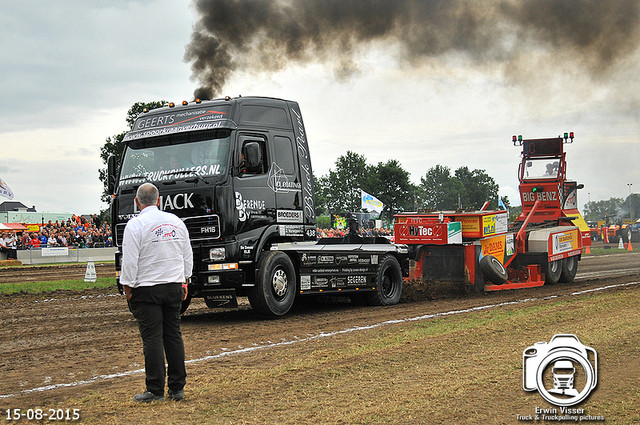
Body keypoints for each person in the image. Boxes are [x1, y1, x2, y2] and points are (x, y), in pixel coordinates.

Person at [120, 182, 193, 403]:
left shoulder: (135, 225)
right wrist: (185, 280)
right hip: (173, 285)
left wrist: (127, 287)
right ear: (158, 200)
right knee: (173, 335)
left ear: (137, 202)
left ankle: (155, 390)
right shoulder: (176, 222)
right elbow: (186, 254)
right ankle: (177, 388)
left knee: (152, 338)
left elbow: (130, 260)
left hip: (146, 287)